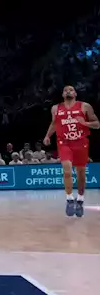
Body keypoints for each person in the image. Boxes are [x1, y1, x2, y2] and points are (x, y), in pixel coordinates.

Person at [43, 85, 98, 216]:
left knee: (81, 175)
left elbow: (97, 123)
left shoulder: (84, 106)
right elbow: (54, 123)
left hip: (81, 142)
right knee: (67, 169)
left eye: (71, 90)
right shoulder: (56, 108)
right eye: (66, 90)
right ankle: (69, 199)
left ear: (75, 94)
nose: (68, 91)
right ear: (62, 94)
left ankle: (80, 200)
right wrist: (47, 136)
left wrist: (85, 123)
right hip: (64, 142)